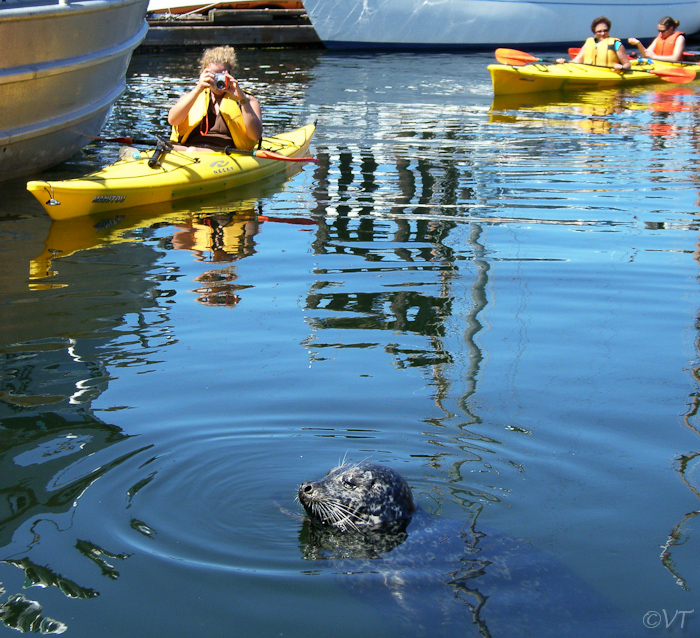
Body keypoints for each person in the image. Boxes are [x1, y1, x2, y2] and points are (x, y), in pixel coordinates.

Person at [168, 46, 263, 152]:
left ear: (230, 73)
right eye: (213, 75)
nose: (217, 80)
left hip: (223, 154)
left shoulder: (248, 101)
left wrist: (243, 100)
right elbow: (173, 120)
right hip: (187, 150)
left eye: (222, 75)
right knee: (167, 147)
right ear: (203, 73)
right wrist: (197, 89)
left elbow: (255, 136)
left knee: (192, 151)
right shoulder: (191, 97)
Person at [560, 16, 631, 70]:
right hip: (591, 72)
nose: (602, 33)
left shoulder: (616, 44)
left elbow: (627, 64)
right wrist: (564, 62)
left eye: (605, 30)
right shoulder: (588, 44)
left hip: (611, 73)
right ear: (594, 33)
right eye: (599, 31)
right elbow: (577, 61)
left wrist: (621, 67)